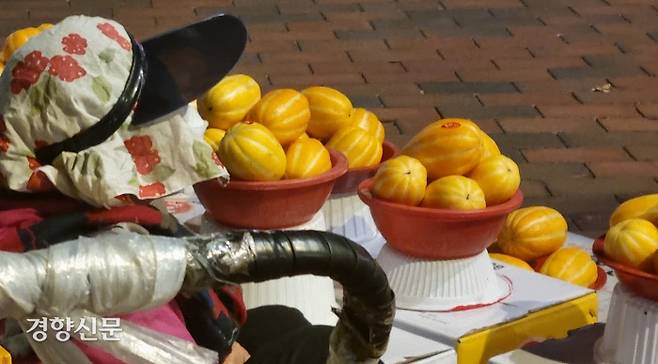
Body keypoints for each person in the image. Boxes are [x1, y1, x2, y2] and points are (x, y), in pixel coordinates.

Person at [0, 14, 336, 364]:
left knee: (283, 320)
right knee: (323, 345)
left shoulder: (27, 207)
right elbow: (143, 342)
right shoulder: (103, 260)